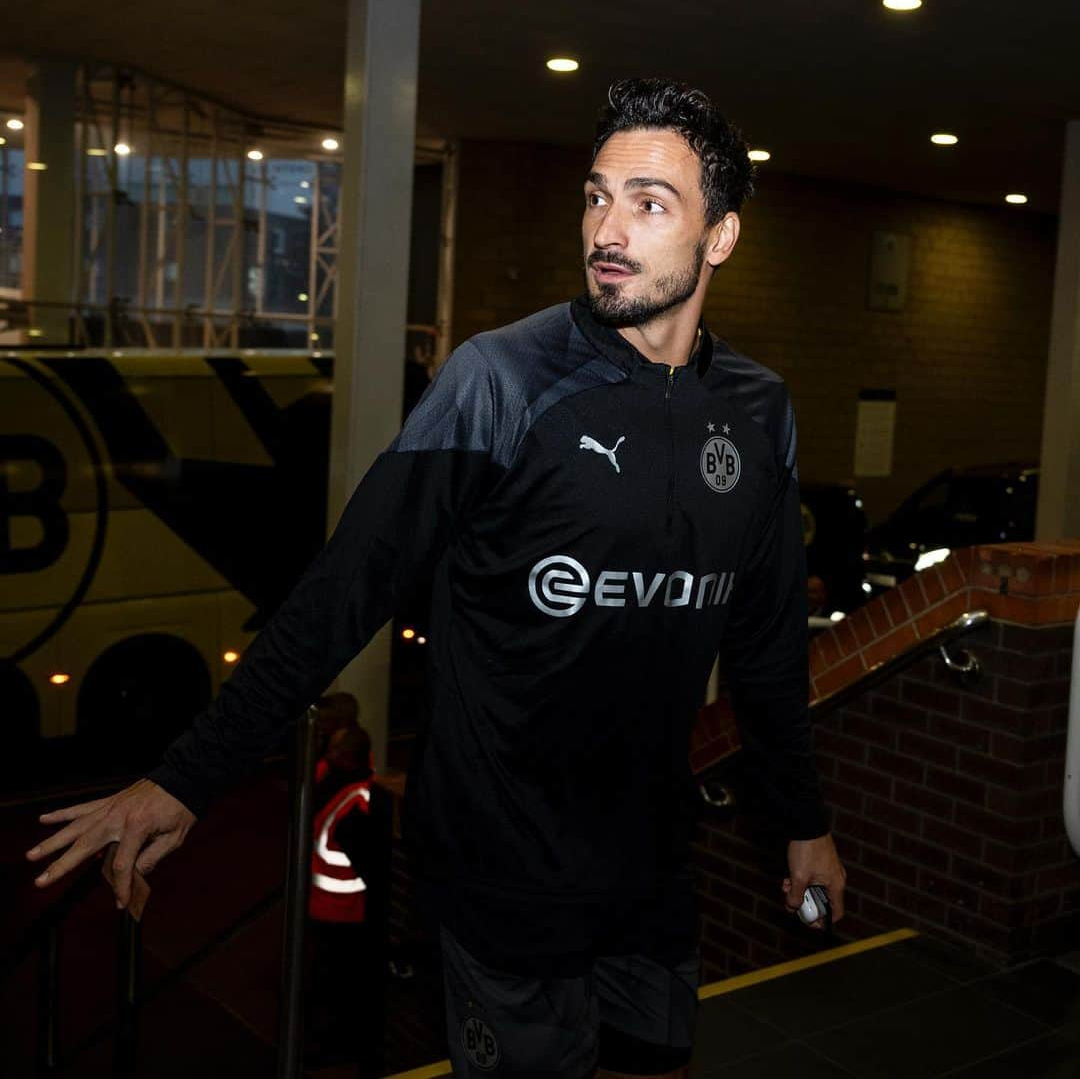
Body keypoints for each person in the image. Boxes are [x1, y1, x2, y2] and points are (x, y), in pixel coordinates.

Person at [27, 78, 846, 1078]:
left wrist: (802, 826)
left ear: (720, 236)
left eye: (649, 203)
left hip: (651, 868)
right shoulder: (501, 381)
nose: (607, 229)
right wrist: (186, 777)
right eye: (596, 196)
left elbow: (764, 652)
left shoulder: (760, 414)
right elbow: (346, 590)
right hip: (501, 874)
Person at [306, 720, 392, 1075]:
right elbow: (375, 868)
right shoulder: (357, 801)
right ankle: (344, 1050)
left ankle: (328, 1047)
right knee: (346, 988)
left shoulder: (331, 787)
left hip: (328, 906)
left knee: (330, 985)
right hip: (346, 912)